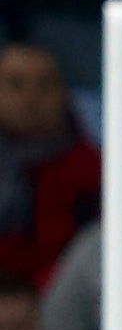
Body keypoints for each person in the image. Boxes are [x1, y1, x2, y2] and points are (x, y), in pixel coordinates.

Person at [0, 44, 97, 293]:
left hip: (60, 301)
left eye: (44, 84)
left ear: (65, 94)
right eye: (15, 84)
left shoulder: (93, 171)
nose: (30, 98)